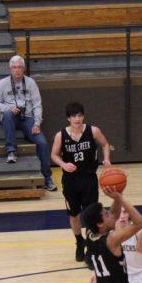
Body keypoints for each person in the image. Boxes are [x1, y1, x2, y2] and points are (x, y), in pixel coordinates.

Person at [50, 101, 111, 261]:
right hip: (70, 181)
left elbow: (105, 144)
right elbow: (54, 155)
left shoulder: (93, 130)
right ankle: (79, 242)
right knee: (74, 215)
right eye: (73, 116)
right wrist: (63, 164)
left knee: (91, 214)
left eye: (79, 115)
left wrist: (106, 159)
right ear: (68, 119)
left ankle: (91, 248)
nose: (77, 118)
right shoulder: (60, 135)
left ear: (83, 116)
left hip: (89, 178)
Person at [0, 55, 55, 191]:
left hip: (28, 117)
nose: (17, 70)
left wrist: (37, 123)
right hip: (11, 116)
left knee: (42, 143)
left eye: (20, 67)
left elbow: (38, 104)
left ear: (24, 69)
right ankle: (11, 150)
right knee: (7, 115)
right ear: (10, 69)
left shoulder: (31, 83)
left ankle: (47, 178)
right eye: (14, 67)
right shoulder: (2, 83)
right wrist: (8, 108)